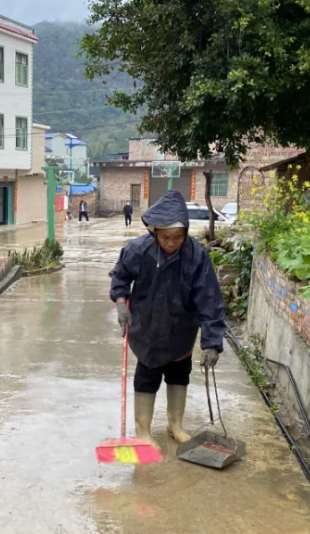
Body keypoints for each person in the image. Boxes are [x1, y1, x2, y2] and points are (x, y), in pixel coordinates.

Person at [109, 190, 226, 451]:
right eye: (165, 237)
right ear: (155, 232)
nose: (171, 243)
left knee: (178, 375)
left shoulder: (196, 256)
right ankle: (142, 432)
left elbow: (210, 299)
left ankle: (175, 425)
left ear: (185, 232)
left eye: (177, 237)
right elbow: (120, 277)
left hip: (181, 329)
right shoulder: (139, 250)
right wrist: (120, 303)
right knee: (147, 377)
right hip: (147, 328)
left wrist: (211, 342)